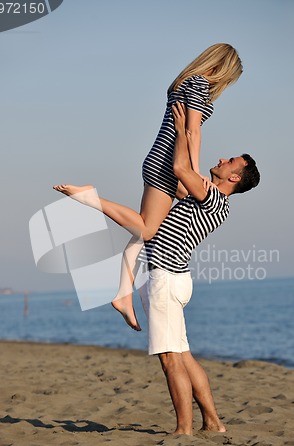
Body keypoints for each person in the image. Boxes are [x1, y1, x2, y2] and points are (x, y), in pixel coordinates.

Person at [54, 102, 260, 434]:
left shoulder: (209, 197)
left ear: (234, 177)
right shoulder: (214, 201)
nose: (223, 159)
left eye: (230, 161)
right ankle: (213, 422)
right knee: (184, 355)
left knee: (171, 360)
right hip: (176, 280)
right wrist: (193, 133)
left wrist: (181, 131)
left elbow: (180, 168)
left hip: (165, 280)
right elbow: (181, 174)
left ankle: (184, 429)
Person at [54, 43, 243, 332]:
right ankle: (90, 198)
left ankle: (122, 295)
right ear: (222, 68)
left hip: (161, 159)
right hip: (168, 164)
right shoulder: (200, 84)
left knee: (147, 230)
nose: (224, 85)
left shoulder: (183, 82)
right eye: (229, 78)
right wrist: (193, 171)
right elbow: (192, 130)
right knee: (146, 229)